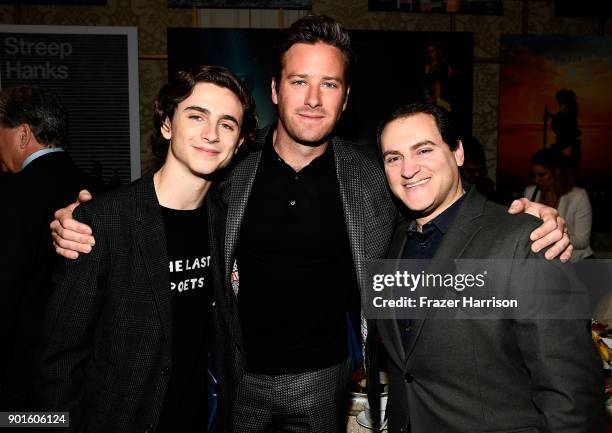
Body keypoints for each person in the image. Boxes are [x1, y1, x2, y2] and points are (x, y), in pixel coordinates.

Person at [49, 15, 572, 433]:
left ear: (346, 99)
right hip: (235, 377)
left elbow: (440, 210)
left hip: (327, 380)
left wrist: (525, 216)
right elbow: (166, 202)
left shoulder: (374, 179)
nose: (314, 98)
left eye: (330, 84)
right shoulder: (229, 173)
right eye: (300, 81)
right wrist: (87, 219)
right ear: (276, 89)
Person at [36, 65, 257, 433]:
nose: (211, 134)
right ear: (167, 124)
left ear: (237, 144)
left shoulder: (226, 220)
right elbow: (59, 361)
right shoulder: (101, 222)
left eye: (227, 124)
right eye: (196, 116)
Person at [367, 103, 603, 433]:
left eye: (423, 149)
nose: (408, 169)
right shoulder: (392, 242)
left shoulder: (526, 239)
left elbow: (571, 391)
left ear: (458, 152)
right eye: (393, 158)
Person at [0, 85, 102, 412]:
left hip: (20, 381)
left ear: (22, 134)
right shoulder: (104, 194)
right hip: (86, 377)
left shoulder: (9, 196)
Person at [525, 148, 594, 260]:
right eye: (534, 175)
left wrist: (550, 238)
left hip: (576, 261)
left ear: (556, 172)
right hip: (544, 261)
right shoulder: (530, 192)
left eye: (541, 175)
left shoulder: (578, 196)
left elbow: (582, 241)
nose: (536, 180)